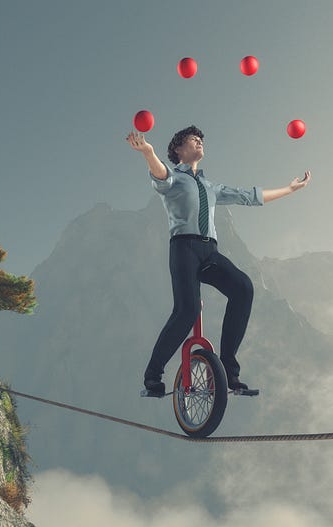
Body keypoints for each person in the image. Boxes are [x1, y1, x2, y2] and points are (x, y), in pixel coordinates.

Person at [126, 125, 311, 397]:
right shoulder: (174, 178)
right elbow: (160, 175)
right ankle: (153, 375)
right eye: (193, 139)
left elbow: (249, 196)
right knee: (186, 311)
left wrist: (290, 189)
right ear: (178, 149)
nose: (199, 141)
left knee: (243, 288)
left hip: (209, 252)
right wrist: (148, 153)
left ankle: (227, 372)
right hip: (184, 249)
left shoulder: (210, 186)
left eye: (201, 139)